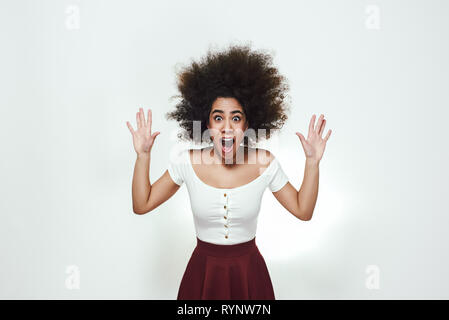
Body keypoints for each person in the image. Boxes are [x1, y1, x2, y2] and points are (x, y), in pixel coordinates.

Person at [126, 43, 332, 300]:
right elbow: (141, 204)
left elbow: (303, 210)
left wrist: (312, 162)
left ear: (248, 123)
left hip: (249, 275)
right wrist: (143, 155)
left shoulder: (264, 162)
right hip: (203, 275)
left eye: (236, 118)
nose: (226, 128)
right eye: (218, 117)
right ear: (206, 122)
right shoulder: (185, 162)